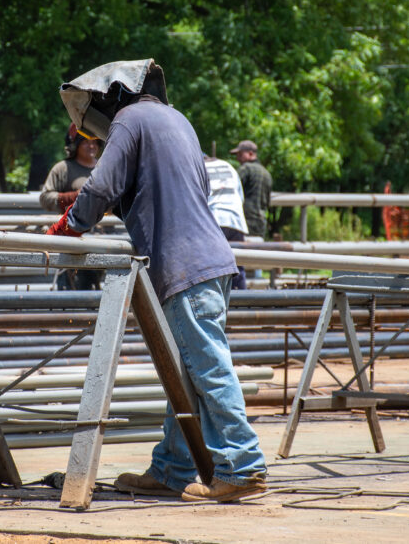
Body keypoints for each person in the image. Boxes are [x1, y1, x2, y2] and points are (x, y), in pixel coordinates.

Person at [47, 59, 267, 502]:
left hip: (184, 267)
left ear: (110, 100)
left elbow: (100, 187)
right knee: (182, 370)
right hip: (210, 262)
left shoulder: (129, 120)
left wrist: (68, 226)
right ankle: (172, 467)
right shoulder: (176, 119)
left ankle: (243, 467)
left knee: (206, 367)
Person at [39, 125, 102, 290]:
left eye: (94, 142)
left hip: (102, 238)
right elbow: (45, 197)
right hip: (72, 237)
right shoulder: (63, 168)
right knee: (71, 289)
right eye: (86, 142)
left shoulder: (105, 169)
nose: (91, 146)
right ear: (75, 145)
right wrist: (75, 197)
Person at [204, 154, 248, 290]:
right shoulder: (229, 166)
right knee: (238, 264)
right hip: (236, 220)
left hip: (214, 220)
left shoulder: (201, 167)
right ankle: (242, 304)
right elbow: (240, 197)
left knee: (212, 267)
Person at [230, 140, 272, 239]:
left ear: (250, 153)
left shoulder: (245, 169)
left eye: (240, 154)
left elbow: (232, 190)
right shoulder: (267, 173)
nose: (237, 158)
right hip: (260, 224)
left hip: (244, 223)